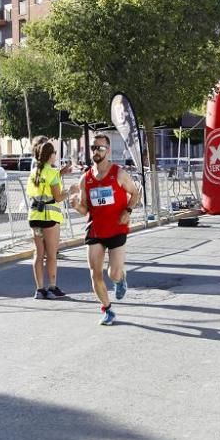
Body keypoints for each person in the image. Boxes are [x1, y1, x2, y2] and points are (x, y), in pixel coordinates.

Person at [70, 134, 141, 325]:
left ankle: (120, 279)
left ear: (108, 151)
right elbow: (85, 208)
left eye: (100, 148)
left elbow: (135, 193)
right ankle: (107, 309)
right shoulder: (86, 178)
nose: (96, 151)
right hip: (95, 230)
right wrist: (77, 206)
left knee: (113, 273)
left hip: (117, 228)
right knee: (95, 273)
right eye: (93, 148)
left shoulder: (118, 173)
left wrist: (128, 210)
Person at [27, 141, 75, 299]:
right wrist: (71, 191)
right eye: (54, 153)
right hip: (49, 218)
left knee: (38, 254)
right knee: (52, 255)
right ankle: (52, 288)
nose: (56, 155)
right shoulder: (52, 173)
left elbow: (40, 188)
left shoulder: (35, 172)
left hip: (35, 217)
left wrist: (60, 172)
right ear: (50, 155)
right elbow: (58, 197)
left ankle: (39, 290)